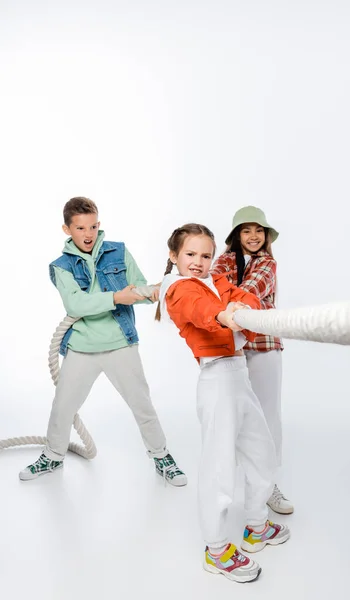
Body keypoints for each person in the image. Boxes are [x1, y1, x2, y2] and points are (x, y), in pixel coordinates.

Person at [19, 197, 186, 487]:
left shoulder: (119, 252)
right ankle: (54, 454)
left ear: (99, 224)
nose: (88, 234)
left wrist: (159, 291)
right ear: (66, 229)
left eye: (93, 226)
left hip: (120, 343)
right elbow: (76, 304)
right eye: (81, 227)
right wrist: (116, 297)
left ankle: (161, 456)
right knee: (63, 406)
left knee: (141, 404)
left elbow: (139, 287)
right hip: (82, 348)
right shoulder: (60, 266)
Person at [157, 223, 290, 583]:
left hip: (239, 377)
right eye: (190, 255)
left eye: (205, 255)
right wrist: (224, 315)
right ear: (174, 256)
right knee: (219, 464)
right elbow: (202, 312)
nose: (198, 262)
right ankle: (216, 550)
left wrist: (235, 310)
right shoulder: (179, 289)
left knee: (261, 452)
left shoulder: (214, 282)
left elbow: (246, 299)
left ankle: (255, 526)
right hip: (216, 380)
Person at [211, 206, 293, 514]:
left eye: (259, 230)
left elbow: (250, 292)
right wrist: (225, 302)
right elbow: (214, 288)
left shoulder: (268, 263)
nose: (254, 236)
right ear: (236, 236)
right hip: (230, 346)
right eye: (247, 231)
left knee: (268, 415)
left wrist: (227, 303)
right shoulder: (221, 261)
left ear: (267, 235)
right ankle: (227, 488)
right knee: (232, 416)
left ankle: (268, 484)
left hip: (264, 346)